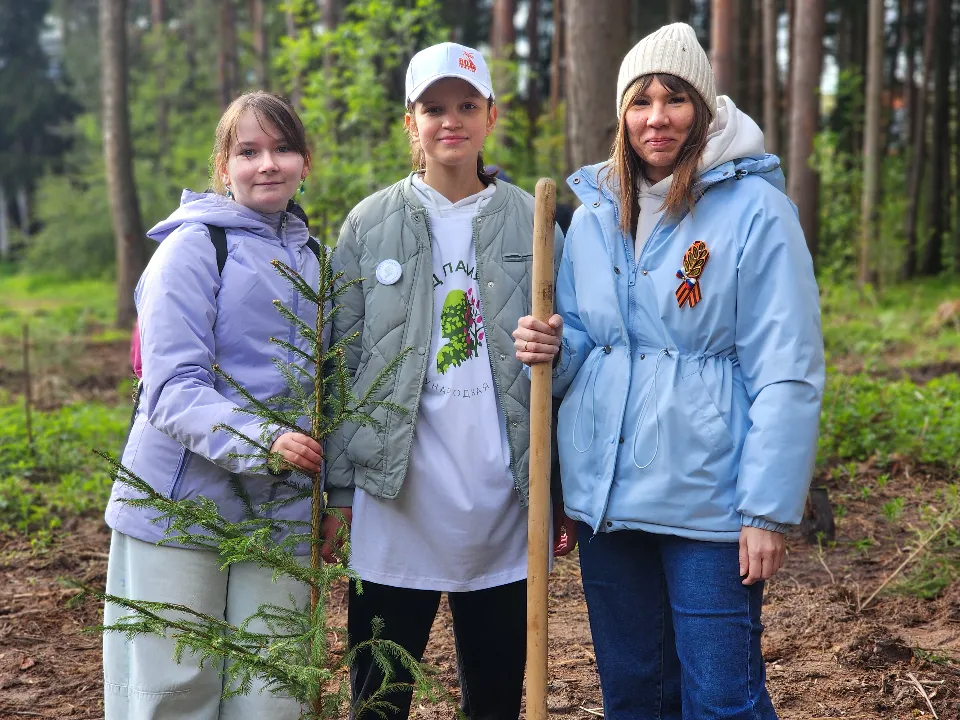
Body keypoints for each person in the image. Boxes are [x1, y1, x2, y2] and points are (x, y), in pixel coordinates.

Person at [513, 23, 824, 720]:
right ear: (621, 114)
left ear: (704, 107)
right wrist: (551, 349)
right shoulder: (595, 214)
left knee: (722, 700)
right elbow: (588, 342)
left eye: (675, 98)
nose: (657, 117)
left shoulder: (757, 213)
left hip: (709, 503)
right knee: (635, 697)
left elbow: (787, 368)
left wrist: (767, 509)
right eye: (640, 100)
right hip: (610, 500)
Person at [321, 42, 574, 720]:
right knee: (379, 697)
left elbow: (581, 351)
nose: (450, 121)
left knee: (492, 697)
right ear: (410, 121)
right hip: (395, 499)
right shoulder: (369, 225)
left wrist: (559, 348)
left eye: (466, 105)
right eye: (433, 108)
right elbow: (340, 362)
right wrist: (339, 493)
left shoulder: (535, 218)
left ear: (492, 115)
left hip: (501, 499)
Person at [102, 91, 323, 720]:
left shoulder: (315, 258)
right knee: (174, 692)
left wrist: (335, 498)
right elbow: (172, 387)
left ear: (305, 161)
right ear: (223, 166)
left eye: (282, 148)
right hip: (177, 506)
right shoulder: (194, 248)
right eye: (248, 151)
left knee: (273, 694)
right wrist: (265, 442)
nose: (267, 164)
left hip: (279, 513)